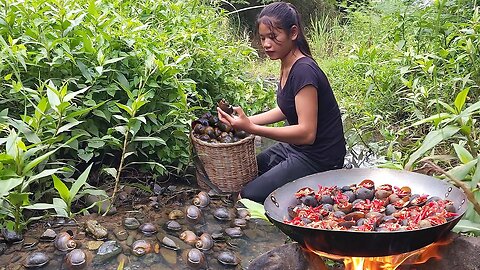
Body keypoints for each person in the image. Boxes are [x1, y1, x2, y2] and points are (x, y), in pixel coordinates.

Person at [217, 2, 346, 203]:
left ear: (293, 33)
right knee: (248, 170)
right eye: (263, 38)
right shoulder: (287, 63)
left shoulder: (304, 70)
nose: (267, 44)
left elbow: (307, 133)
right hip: (295, 148)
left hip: (319, 158)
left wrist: (252, 128)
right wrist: (243, 121)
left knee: (248, 196)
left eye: (273, 37)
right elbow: (285, 109)